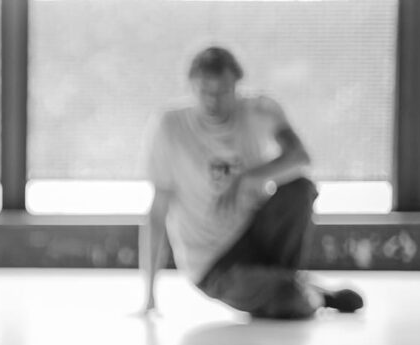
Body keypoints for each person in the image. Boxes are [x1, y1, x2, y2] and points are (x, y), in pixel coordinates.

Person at [140, 46, 364, 320]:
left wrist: (249, 177)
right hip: (214, 263)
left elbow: (300, 156)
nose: (213, 101)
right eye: (204, 92)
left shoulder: (259, 110)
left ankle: (288, 282)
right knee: (289, 301)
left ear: (237, 85)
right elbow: (157, 214)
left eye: (222, 92)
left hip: (255, 235)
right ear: (191, 88)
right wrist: (149, 297)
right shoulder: (170, 126)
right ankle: (305, 292)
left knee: (299, 189)